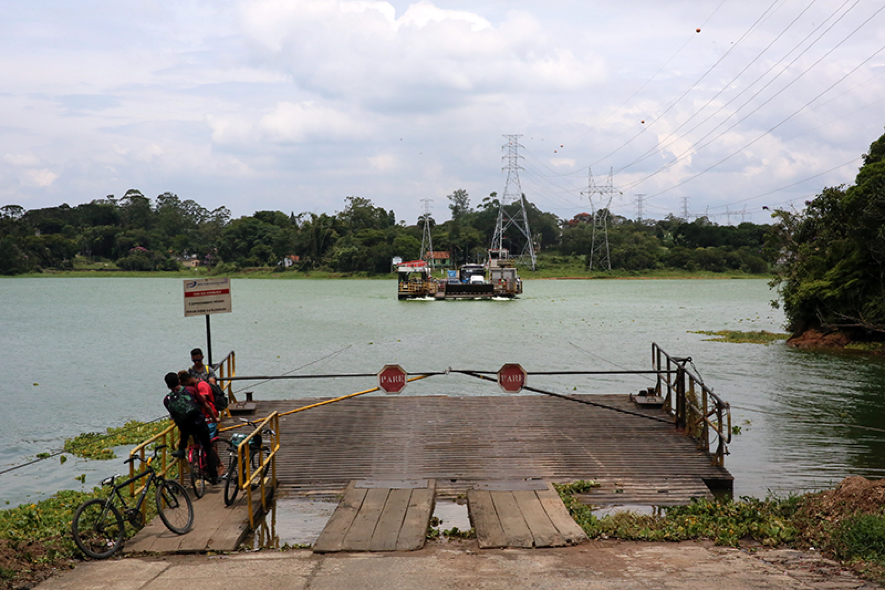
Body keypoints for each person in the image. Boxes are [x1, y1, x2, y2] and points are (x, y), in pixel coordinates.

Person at [163, 372, 220, 484]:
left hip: (185, 429)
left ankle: (181, 450)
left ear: (168, 385)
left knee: (184, 428)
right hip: (199, 424)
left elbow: (174, 416)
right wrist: (214, 418)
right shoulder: (191, 390)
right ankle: (214, 476)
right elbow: (206, 406)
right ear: (179, 381)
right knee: (208, 447)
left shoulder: (167, 400)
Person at [179, 370, 225, 477]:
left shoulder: (202, 385)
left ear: (187, 380)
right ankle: (202, 466)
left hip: (209, 418)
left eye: (183, 384)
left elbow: (203, 403)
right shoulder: (190, 388)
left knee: (209, 444)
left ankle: (219, 464)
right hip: (198, 419)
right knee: (198, 444)